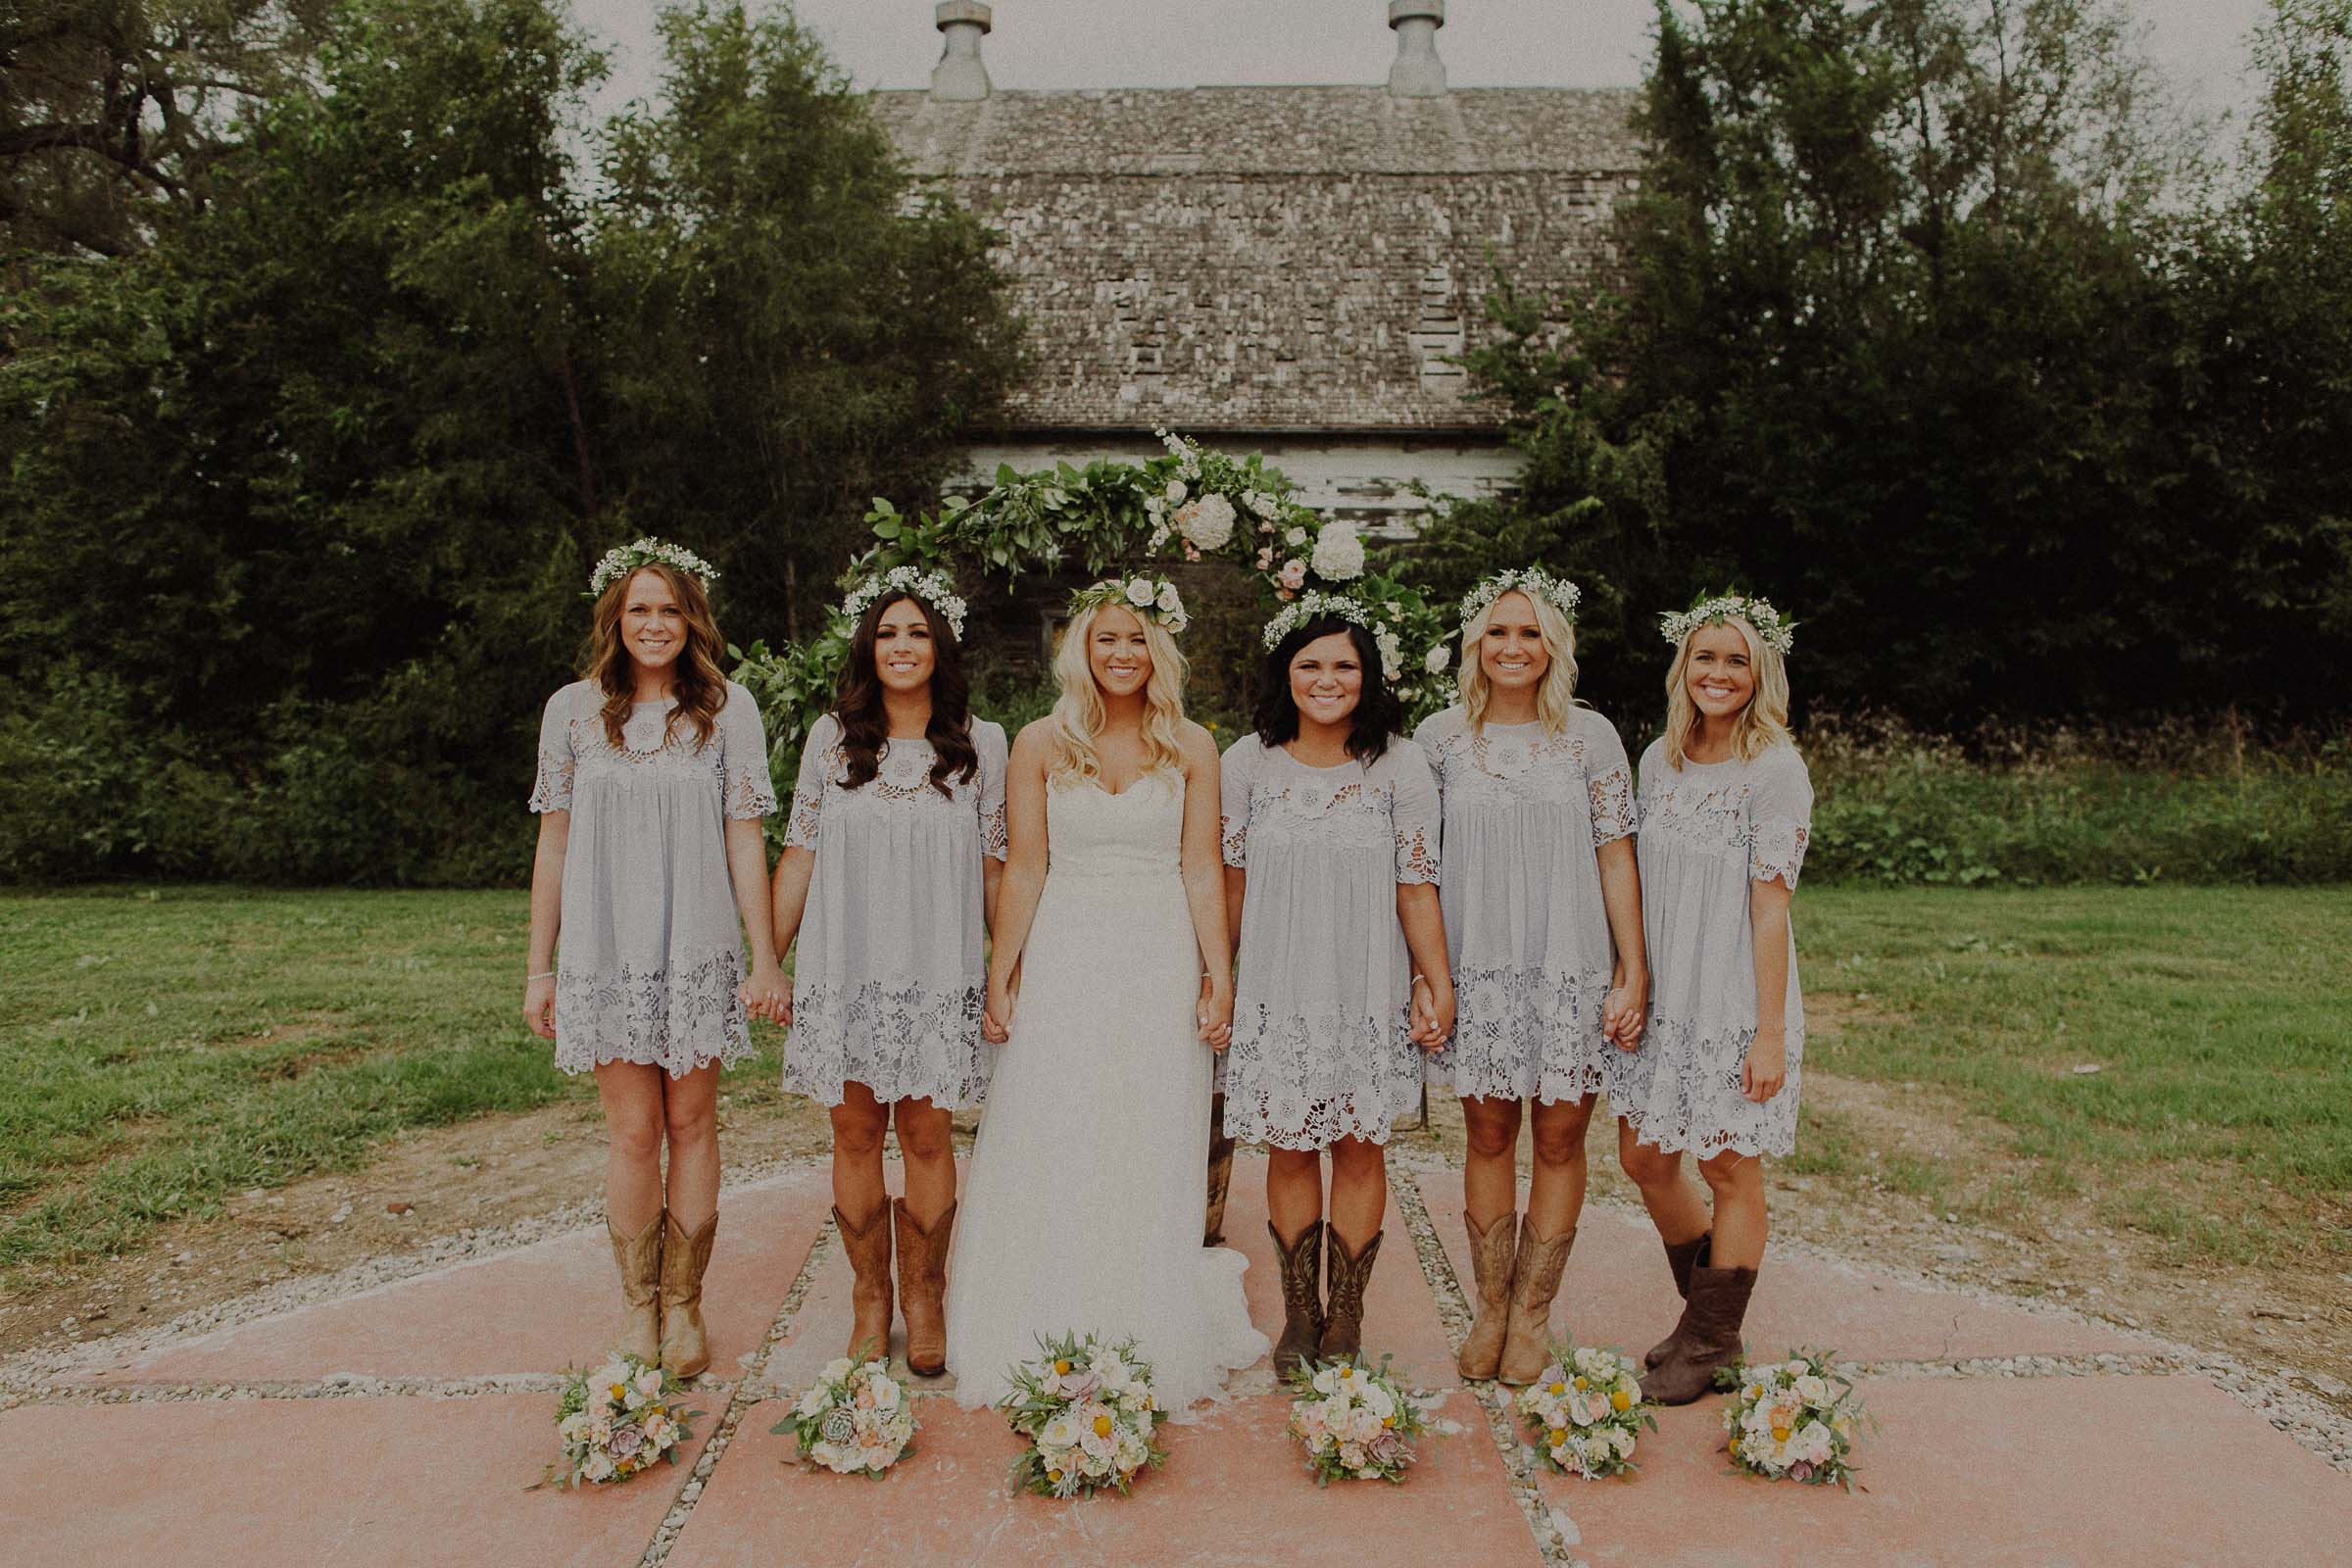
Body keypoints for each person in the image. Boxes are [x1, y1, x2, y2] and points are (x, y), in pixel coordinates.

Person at [944, 577, 1268, 1411]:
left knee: (1149, 1124)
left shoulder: (1192, 744)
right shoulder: (1040, 742)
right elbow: (1025, 866)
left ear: (1157, 652)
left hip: (1158, 952)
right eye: (1105, 640)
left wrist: (1217, 972)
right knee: (1060, 1122)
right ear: (1080, 652)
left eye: (1136, 640)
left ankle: (1143, 1311)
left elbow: (1201, 867)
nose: (1121, 653)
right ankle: (1051, 1306)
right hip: (1069, 949)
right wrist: (1003, 971)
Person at [524, 538, 785, 1378]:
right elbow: (553, 843)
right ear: (614, 618)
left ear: (693, 620)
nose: (655, 623)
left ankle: (686, 1305)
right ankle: (638, 1306)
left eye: (671, 608)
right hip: (604, 949)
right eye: (639, 608)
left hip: (697, 943)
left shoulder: (726, 710)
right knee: (633, 1132)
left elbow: (746, 838)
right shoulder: (571, 711)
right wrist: (541, 966)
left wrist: (765, 957)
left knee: (691, 1122)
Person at [768, 566, 1005, 1375]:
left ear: (940, 646)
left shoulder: (983, 741)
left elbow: (997, 868)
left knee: (929, 1133)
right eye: (886, 632)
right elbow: (799, 852)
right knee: (856, 1129)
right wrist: (769, 957)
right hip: (848, 965)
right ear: (867, 648)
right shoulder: (830, 741)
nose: (901, 646)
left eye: (916, 632)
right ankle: (871, 1299)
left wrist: (1006, 968)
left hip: (940, 969)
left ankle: (926, 1295)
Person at [1414, 569, 1647, 1385]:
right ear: (1475, 645)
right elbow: (1420, 868)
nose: (1514, 647)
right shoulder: (1438, 738)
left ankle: (1532, 1314)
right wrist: (1426, 972)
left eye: (1530, 633)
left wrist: (1632, 968)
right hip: (1475, 963)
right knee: (1485, 1132)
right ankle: (1489, 1304)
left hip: (1568, 962)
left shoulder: (1592, 738)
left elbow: (1617, 854)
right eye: (1498, 633)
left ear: (1556, 646)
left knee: (1558, 1136)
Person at [1220, 594, 1452, 1373]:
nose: (1327, 679)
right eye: (1310, 664)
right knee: (1288, 1148)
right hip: (1279, 989)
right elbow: (1229, 884)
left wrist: (1435, 980)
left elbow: (1417, 884)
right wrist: (1218, 978)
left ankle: (1345, 1316)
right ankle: (1299, 1317)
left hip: (1365, 986)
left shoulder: (1402, 763)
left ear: (1368, 674)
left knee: (1359, 1146)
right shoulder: (1246, 762)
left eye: (1344, 665)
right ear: (1285, 674)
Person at [1610, 593, 1812, 1404]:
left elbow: (1771, 907)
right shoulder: (1659, 759)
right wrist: (1630, 974)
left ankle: (1711, 1336)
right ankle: (1705, 1316)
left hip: (1732, 992)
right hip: (1663, 989)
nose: (1719, 673)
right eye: (1706, 657)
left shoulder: (1774, 769)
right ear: (1681, 667)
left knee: (1728, 1162)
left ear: (1761, 673)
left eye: (1737, 660)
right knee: (1645, 1158)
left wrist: (1767, 1033)